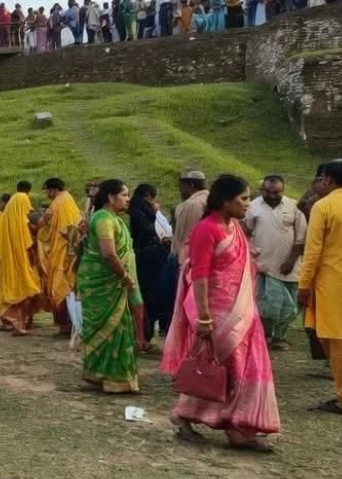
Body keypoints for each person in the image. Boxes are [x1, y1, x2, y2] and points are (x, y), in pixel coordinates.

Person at [161, 175, 280, 452]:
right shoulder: (207, 229)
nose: (248, 205)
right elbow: (199, 276)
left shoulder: (234, 227)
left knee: (242, 367)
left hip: (241, 309)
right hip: (214, 312)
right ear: (225, 200)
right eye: (243, 198)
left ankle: (238, 427)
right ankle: (184, 415)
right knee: (218, 367)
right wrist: (203, 317)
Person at [297, 161, 342, 416]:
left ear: (329, 180)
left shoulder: (324, 205)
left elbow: (312, 252)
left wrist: (303, 285)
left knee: (337, 340)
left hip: (334, 281)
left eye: (322, 179)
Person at [78, 180, 143, 393]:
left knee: (121, 325)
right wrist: (125, 277)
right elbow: (108, 253)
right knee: (113, 326)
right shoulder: (104, 219)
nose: (128, 198)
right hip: (103, 283)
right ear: (110, 197)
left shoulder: (113, 219)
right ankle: (113, 379)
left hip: (112, 282)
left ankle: (101, 376)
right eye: (124, 194)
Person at [244, 176, 307, 350]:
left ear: (283, 190)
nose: (272, 196)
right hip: (264, 266)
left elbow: (301, 239)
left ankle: (279, 337)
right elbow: (246, 233)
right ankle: (265, 335)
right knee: (269, 307)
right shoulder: (252, 207)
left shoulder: (294, 206)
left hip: (290, 267)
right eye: (268, 192)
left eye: (276, 192)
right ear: (262, 189)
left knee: (290, 308)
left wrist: (291, 260)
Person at [0, 183, 41, 333]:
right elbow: (30, 243)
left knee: (21, 290)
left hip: (10, 262)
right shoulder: (22, 223)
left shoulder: (7, 221)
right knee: (28, 290)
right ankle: (22, 322)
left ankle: (20, 322)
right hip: (23, 261)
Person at [36, 178, 81, 337]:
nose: (47, 194)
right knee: (69, 286)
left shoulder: (56, 203)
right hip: (72, 250)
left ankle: (65, 326)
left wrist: (37, 221)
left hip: (60, 250)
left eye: (47, 191)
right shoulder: (70, 199)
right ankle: (71, 323)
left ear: (52, 190)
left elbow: (42, 222)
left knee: (58, 287)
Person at [129, 184, 172, 347]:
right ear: (148, 196)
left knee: (146, 296)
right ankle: (144, 335)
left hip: (144, 256)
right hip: (150, 258)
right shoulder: (142, 210)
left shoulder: (136, 209)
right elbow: (148, 230)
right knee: (151, 295)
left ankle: (144, 334)